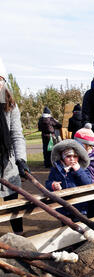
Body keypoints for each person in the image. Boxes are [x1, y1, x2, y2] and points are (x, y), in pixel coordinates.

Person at [0, 57, 30, 236]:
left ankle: (19, 234)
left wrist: (21, 159)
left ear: (3, 81)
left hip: (7, 161)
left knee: (12, 199)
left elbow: (16, 135)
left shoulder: (10, 105)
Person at [45, 140, 92, 220]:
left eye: (75, 156)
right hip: (63, 207)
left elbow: (88, 183)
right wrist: (53, 185)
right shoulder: (56, 169)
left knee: (80, 226)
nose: (72, 159)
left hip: (79, 206)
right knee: (65, 227)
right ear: (62, 158)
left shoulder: (82, 169)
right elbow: (48, 183)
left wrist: (78, 171)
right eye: (68, 156)